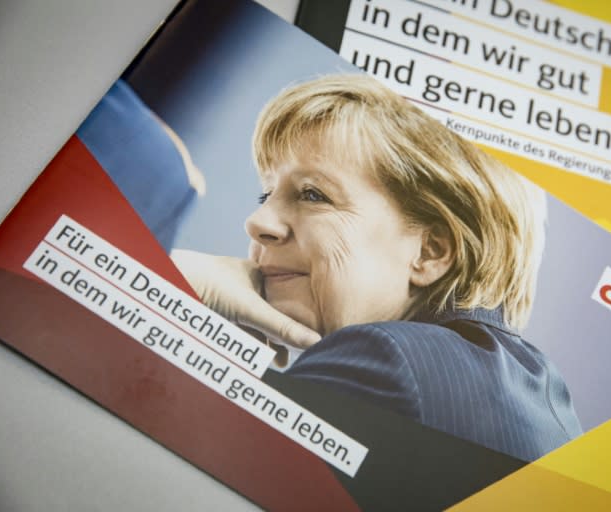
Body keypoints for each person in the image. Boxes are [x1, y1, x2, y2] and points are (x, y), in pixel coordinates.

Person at [174, 74, 582, 461]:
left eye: (313, 194)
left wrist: (174, 292)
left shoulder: (383, 363)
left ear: (430, 251)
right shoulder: (545, 393)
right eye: (265, 193)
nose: (258, 222)